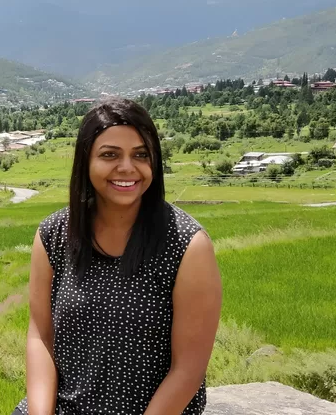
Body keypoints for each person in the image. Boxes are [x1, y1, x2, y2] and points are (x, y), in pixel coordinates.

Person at [12, 98, 222, 415]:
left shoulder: (187, 245)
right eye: (109, 155)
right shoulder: (54, 235)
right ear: (85, 162)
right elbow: (41, 337)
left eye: (141, 155)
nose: (127, 167)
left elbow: (188, 370)